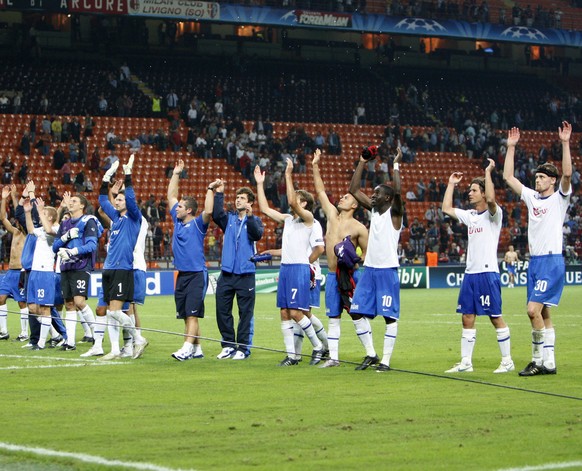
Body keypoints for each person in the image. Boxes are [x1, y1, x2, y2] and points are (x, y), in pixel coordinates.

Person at [503, 123, 572, 377]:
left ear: (552, 181)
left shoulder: (559, 198)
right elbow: (508, 178)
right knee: (544, 313)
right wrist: (511, 148)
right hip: (535, 263)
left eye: (542, 177)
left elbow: (567, 174)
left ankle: (537, 360)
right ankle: (550, 363)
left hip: (551, 262)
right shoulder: (532, 197)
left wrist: (565, 143)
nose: (537, 180)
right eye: (536, 177)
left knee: (532, 311)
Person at [442, 159, 514, 374]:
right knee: (467, 317)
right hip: (470, 274)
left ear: (483, 193)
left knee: (495, 316)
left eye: (473, 190)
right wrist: (451, 184)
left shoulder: (494, 214)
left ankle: (507, 360)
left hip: (487, 272)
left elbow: (492, 198)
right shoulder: (471, 216)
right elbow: (446, 208)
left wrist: (487, 172)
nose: (469, 193)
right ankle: (466, 362)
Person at [255, 159, 324, 366]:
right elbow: (265, 209)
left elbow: (292, 202)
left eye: (298, 198)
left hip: (299, 270)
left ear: (304, 203)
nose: (293, 200)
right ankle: (292, 356)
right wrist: (259, 183)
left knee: (296, 312)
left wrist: (288, 175)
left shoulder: (309, 218)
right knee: (284, 312)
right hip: (286, 269)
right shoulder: (287, 219)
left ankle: (319, 347)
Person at [311, 148, 369, 368]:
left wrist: (354, 258)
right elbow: (320, 191)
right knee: (333, 316)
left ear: (354, 205)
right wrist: (315, 165)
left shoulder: (359, 227)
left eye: (346, 197)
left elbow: (368, 253)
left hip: (350, 275)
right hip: (332, 275)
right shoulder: (332, 216)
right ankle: (334, 358)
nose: (342, 198)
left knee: (356, 314)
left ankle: (370, 353)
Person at [348, 146, 403, 372]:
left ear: (387, 198)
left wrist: (396, 164)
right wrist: (362, 161)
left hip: (387, 270)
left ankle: (386, 361)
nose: (372, 195)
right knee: (356, 311)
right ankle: (371, 354)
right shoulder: (374, 212)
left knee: (389, 317)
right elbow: (353, 189)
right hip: (369, 270)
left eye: (377, 193)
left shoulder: (395, 213)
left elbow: (398, 192)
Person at [209, 180, 264, 361]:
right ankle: (227, 345)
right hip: (227, 273)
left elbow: (256, 234)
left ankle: (242, 347)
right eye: (237, 197)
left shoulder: (254, 220)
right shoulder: (229, 219)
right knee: (222, 310)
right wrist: (219, 193)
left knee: (245, 313)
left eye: (242, 198)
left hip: (245, 273)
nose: (238, 200)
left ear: (250, 203)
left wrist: (248, 216)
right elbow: (216, 214)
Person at [97, 156, 142, 360]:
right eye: (117, 199)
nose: (117, 201)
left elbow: (131, 199)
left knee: (116, 311)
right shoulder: (115, 218)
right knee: (109, 312)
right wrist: (106, 177)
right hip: (109, 268)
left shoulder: (134, 218)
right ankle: (115, 349)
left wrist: (129, 175)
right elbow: (101, 200)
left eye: (120, 199)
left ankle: (137, 339)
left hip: (123, 268)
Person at [167, 159, 212, 361]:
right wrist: (176, 173)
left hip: (196, 274)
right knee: (187, 314)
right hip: (182, 274)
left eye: (181, 206)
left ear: (189, 211)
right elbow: (171, 195)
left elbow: (209, 211)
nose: (177, 207)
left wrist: (210, 190)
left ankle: (185, 349)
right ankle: (197, 349)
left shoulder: (198, 225)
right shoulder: (177, 221)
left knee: (192, 314)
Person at [52, 192, 103, 351]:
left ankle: (97, 336)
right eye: (70, 201)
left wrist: (72, 251)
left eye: (74, 201)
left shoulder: (88, 221)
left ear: (82, 205)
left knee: (80, 302)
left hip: (81, 265)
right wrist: (66, 236)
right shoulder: (65, 224)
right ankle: (70, 342)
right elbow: (54, 247)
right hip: (66, 267)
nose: (71, 203)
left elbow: (92, 245)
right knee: (69, 304)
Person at [0, 185, 28, 341]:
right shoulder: (15, 232)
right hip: (10, 272)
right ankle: (3, 331)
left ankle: (24, 332)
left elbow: (20, 213)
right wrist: (4, 198)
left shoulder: (27, 233)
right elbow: (3, 217)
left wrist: (16, 197)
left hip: (21, 271)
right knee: (1, 298)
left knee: (22, 303)